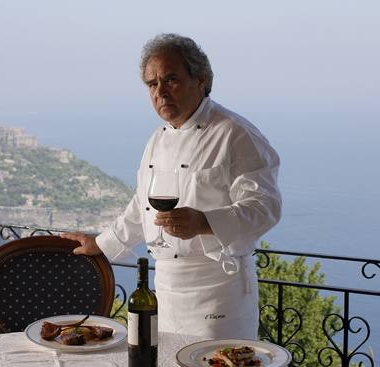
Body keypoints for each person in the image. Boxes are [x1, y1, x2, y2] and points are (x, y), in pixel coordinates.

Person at [62, 33, 281, 339]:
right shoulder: (156, 140)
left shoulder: (235, 134)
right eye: (152, 84)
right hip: (165, 290)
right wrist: (101, 244)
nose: (160, 92)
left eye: (171, 79)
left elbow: (265, 207)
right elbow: (142, 207)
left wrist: (204, 222)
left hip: (218, 291)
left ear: (201, 80)